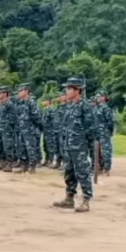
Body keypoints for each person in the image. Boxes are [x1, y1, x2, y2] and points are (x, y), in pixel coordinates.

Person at [52, 78, 97, 212]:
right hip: (68, 145)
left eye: (69, 88)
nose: (67, 91)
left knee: (82, 173)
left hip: (79, 146)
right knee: (69, 172)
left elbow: (91, 128)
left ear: (78, 90)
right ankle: (69, 198)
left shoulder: (85, 106)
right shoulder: (69, 105)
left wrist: (87, 147)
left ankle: (86, 200)